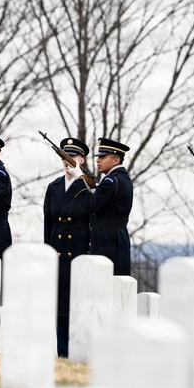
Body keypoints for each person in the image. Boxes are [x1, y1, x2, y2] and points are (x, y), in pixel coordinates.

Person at [42, 137, 91, 357]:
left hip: (79, 249)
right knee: (60, 304)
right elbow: (48, 223)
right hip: (57, 248)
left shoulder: (87, 187)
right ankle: (61, 349)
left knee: (77, 302)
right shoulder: (53, 187)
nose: (68, 161)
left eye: (73, 157)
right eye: (65, 156)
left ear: (81, 160)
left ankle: (77, 349)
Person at [63, 137, 133, 275]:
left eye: (103, 156)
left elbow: (89, 205)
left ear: (116, 160)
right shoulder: (122, 179)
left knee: (104, 281)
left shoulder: (111, 180)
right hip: (117, 236)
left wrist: (79, 177)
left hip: (107, 239)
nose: (97, 160)